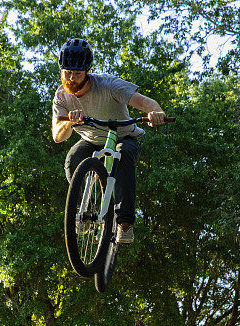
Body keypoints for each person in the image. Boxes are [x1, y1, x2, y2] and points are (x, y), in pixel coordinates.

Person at [51, 38, 167, 244]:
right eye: (67, 72)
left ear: (87, 72)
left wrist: (156, 112)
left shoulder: (108, 84)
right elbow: (58, 137)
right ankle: (87, 209)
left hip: (124, 137)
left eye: (77, 74)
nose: (71, 78)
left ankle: (125, 223)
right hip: (91, 141)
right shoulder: (61, 97)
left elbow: (144, 102)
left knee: (122, 156)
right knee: (73, 160)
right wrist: (69, 121)